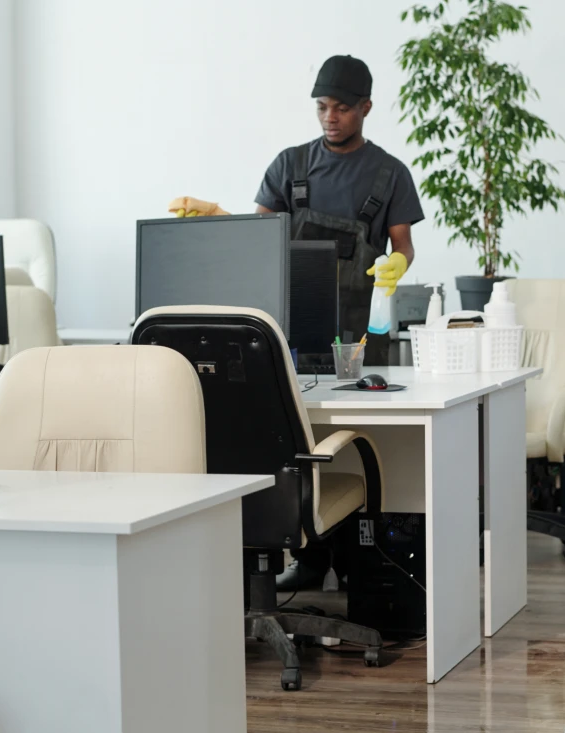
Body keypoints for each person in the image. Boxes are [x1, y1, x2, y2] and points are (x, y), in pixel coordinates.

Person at [174, 55, 425, 594]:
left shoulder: (389, 173)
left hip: (360, 336)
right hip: (287, 331)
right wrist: (219, 218)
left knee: (365, 438)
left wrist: (397, 264)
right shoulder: (290, 166)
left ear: (365, 109)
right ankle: (309, 557)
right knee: (292, 437)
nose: (329, 117)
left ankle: (363, 564)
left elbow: (403, 243)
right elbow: (260, 243)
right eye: (321, 107)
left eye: (340, 108)